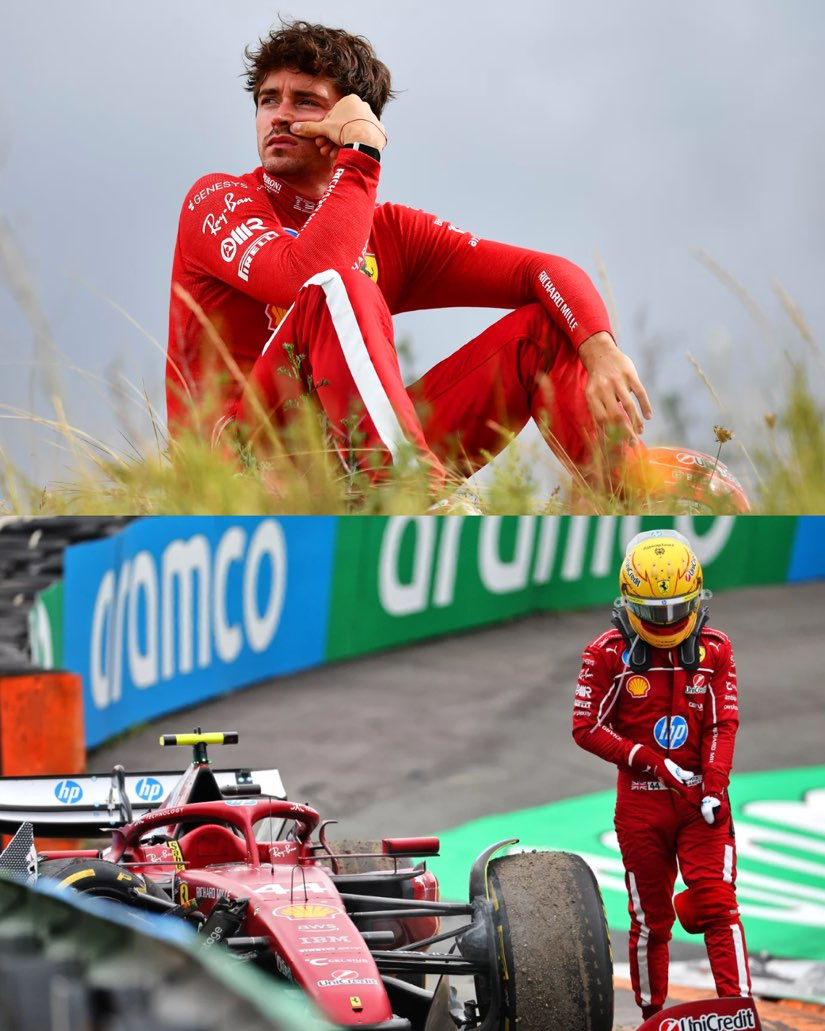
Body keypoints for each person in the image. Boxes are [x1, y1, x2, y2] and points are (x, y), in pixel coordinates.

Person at [167, 18, 652, 492]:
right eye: (267, 99)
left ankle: (628, 507)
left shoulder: (391, 230)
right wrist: (361, 155)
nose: (279, 115)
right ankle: (411, 496)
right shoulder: (218, 200)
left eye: (306, 102)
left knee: (544, 333)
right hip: (239, 472)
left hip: (353, 465)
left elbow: (541, 270)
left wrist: (600, 348)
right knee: (339, 285)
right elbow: (307, 272)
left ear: (352, 116)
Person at [571, 529, 751, 1021]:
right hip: (640, 806)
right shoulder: (605, 653)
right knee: (651, 920)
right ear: (628, 601)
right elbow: (585, 728)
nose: (667, 621)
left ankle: (739, 1011)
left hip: (701, 804)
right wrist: (649, 761)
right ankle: (653, 1016)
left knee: (717, 906)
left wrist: (714, 785)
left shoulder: (716, 649)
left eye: (677, 609)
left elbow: (722, 722)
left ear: (697, 598)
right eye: (655, 612)